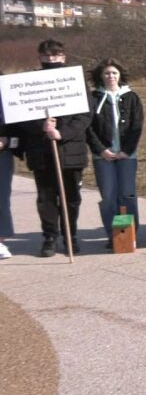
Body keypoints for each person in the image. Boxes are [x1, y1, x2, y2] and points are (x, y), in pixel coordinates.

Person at [9, 39, 91, 257]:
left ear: (63, 57)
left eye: (54, 55)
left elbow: (85, 115)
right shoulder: (30, 82)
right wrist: (42, 127)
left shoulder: (76, 81)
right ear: (40, 58)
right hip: (41, 152)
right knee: (46, 198)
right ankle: (50, 237)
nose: (50, 59)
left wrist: (62, 133)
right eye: (46, 56)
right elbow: (19, 117)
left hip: (70, 151)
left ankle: (70, 236)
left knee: (71, 198)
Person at [86, 58, 144, 248]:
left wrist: (126, 151)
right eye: (107, 73)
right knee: (109, 196)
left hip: (126, 156)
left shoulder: (131, 97)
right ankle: (114, 235)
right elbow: (88, 128)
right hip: (103, 157)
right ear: (100, 76)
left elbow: (137, 125)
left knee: (127, 194)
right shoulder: (93, 98)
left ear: (120, 75)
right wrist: (101, 150)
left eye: (114, 73)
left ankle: (129, 233)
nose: (111, 76)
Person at [0, 94, 15, 259]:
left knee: (1, 197)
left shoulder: (5, 90)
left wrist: (7, 141)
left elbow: (17, 126)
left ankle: (0, 240)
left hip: (2, 153)